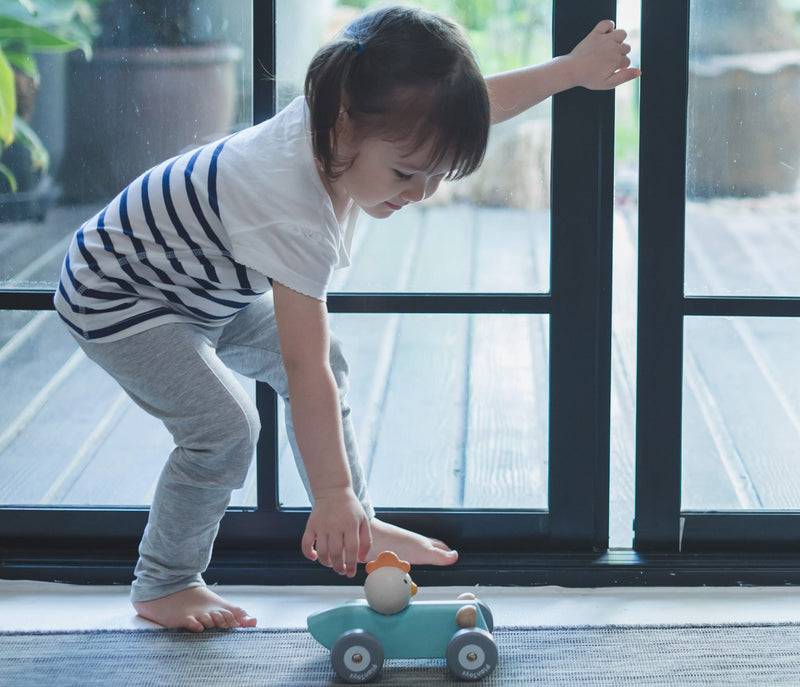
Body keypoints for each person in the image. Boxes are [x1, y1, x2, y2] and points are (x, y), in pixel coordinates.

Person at [54, 5, 639, 632]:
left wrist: (569, 70)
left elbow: (474, 104)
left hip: (204, 286)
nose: (420, 192)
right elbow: (303, 371)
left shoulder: (341, 112)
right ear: (342, 128)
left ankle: (358, 518)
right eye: (407, 172)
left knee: (328, 360)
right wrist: (326, 496)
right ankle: (164, 581)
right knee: (225, 429)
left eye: (437, 176)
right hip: (119, 293)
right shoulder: (291, 204)